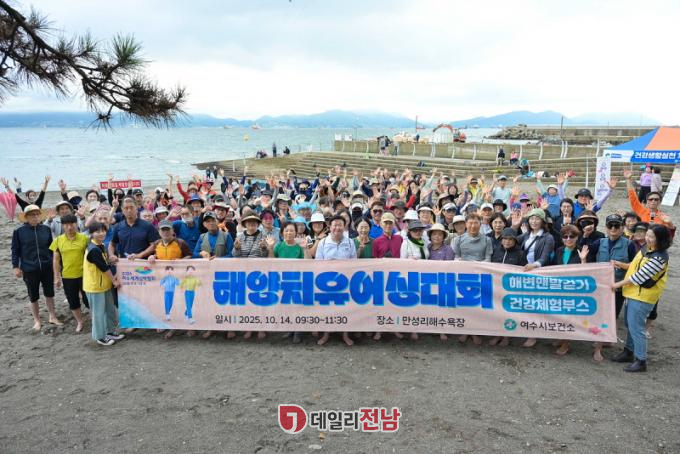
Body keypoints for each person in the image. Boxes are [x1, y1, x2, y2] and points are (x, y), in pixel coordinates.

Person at [611, 224, 672, 372]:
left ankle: (641, 360)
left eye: (652, 237)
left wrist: (617, 284)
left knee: (637, 328)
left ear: (661, 239)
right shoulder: (647, 248)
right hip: (633, 293)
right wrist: (621, 264)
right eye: (648, 235)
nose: (648, 238)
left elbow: (638, 276)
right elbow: (634, 265)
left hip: (642, 297)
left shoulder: (659, 258)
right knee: (630, 324)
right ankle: (628, 351)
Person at [12, 204, 61, 330]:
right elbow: (15, 250)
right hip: (29, 268)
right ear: (26, 217)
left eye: (37, 214)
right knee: (33, 296)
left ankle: (52, 316)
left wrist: (55, 264)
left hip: (47, 267)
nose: (35, 217)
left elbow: (52, 249)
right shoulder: (19, 231)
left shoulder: (46, 229)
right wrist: (15, 266)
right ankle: (37, 320)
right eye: (32, 215)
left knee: (49, 293)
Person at [550, 224, 595, 359]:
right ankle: (561, 338)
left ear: (577, 237)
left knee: (569, 317)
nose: (568, 239)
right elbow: (552, 267)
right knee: (560, 315)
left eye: (572, 236)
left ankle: (566, 343)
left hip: (574, 290)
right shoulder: (559, 250)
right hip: (559, 287)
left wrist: (583, 260)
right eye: (565, 236)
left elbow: (587, 274)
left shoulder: (582, 251)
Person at [315, 215, 357, 347]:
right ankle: (326, 334)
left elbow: (354, 262)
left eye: (340, 225)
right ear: (330, 227)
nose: (337, 228)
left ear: (344, 227)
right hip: (326, 282)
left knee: (346, 309)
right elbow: (317, 263)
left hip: (345, 281)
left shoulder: (350, 242)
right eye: (335, 225)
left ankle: (345, 334)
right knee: (327, 309)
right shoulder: (323, 243)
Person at [517, 208, 555, 349]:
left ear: (543, 221)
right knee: (525, 303)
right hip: (524, 272)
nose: (534, 221)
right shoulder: (526, 235)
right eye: (531, 218)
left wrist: (534, 265)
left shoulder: (548, 237)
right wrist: (514, 226)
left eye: (537, 218)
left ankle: (533, 335)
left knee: (535, 305)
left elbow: (545, 257)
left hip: (537, 273)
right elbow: (511, 241)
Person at [453, 213, 492, 345]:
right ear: (466, 224)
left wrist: (477, 267)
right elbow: (456, 257)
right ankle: (465, 330)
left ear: (480, 224)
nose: (473, 226)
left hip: (480, 276)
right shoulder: (458, 239)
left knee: (477, 307)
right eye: (470, 223)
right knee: (465, 306)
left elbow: (488, 259)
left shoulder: (487, 240)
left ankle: (475, 331)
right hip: (463, 276)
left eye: (476, 223)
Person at [83, 221, 124, 346]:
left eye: (103, 231)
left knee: (109, 309)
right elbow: (104, 268)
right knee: (98, 313)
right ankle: (100, 336)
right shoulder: (93, 249)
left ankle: (110, 331)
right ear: (91, 233)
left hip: (104, 285)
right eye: (97, 231)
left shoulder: (101, 245)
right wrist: (114, 280)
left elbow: (106, 263)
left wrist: (112, 260)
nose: (101, 233)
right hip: (95, 286)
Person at [590, 214, 637, 320]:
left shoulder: (629, 245)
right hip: (600, 287)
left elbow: (634, 266)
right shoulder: (599, 243)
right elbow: (589, 262)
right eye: (610, 225)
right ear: (606, 227)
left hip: (618, 288)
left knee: (612, 316)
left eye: (616, 225)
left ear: (622, 227)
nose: (613, 228)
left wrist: (621, 264)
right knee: (598, 312)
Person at [50, 214, 89, 333]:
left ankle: (95, 318)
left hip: (85, 275)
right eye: (66, 225)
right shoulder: (58, 240)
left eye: (72, 224)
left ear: (76, 224)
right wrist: (57, 277)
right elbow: (56, 260)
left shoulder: (84, 238)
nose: (70, 227)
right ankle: (80, 321)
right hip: (67, 276)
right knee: (72, 300)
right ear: (62, 226)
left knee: (88, 300)